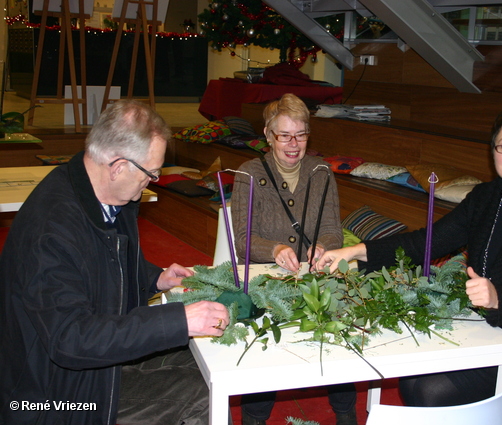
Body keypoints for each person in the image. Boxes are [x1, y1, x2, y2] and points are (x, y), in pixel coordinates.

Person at [314, 105, 502, 424]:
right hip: (491, 329)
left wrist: (500, 297)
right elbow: (426, 242)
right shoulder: (485, 197)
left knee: (431, 390)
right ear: (493, 152)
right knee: (413, 380)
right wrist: (356, 251)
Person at [0, 100, 230, 425]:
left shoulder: (98, 192)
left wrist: (154, 278)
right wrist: (178, 321)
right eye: (151, 172)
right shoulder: (51, 230)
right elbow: (70, 339)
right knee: (202, 395)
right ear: (118, 166)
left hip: (92, 363)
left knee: (206, 362)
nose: (152, 180)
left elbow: (99, 263)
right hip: (55, 397)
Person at [230, 93, 356, 425]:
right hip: (268, 277)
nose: (293, 143)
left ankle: (345, 411)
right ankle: (255, 416)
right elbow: (242, 240)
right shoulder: (248, 174)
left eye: (300, 134)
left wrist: (324, 247)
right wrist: (273, 249)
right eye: (284, 135)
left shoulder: (321, 172)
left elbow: (332, 229)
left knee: (338, 324)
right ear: (268, 136)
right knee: (264, 332)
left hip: (314, 275)